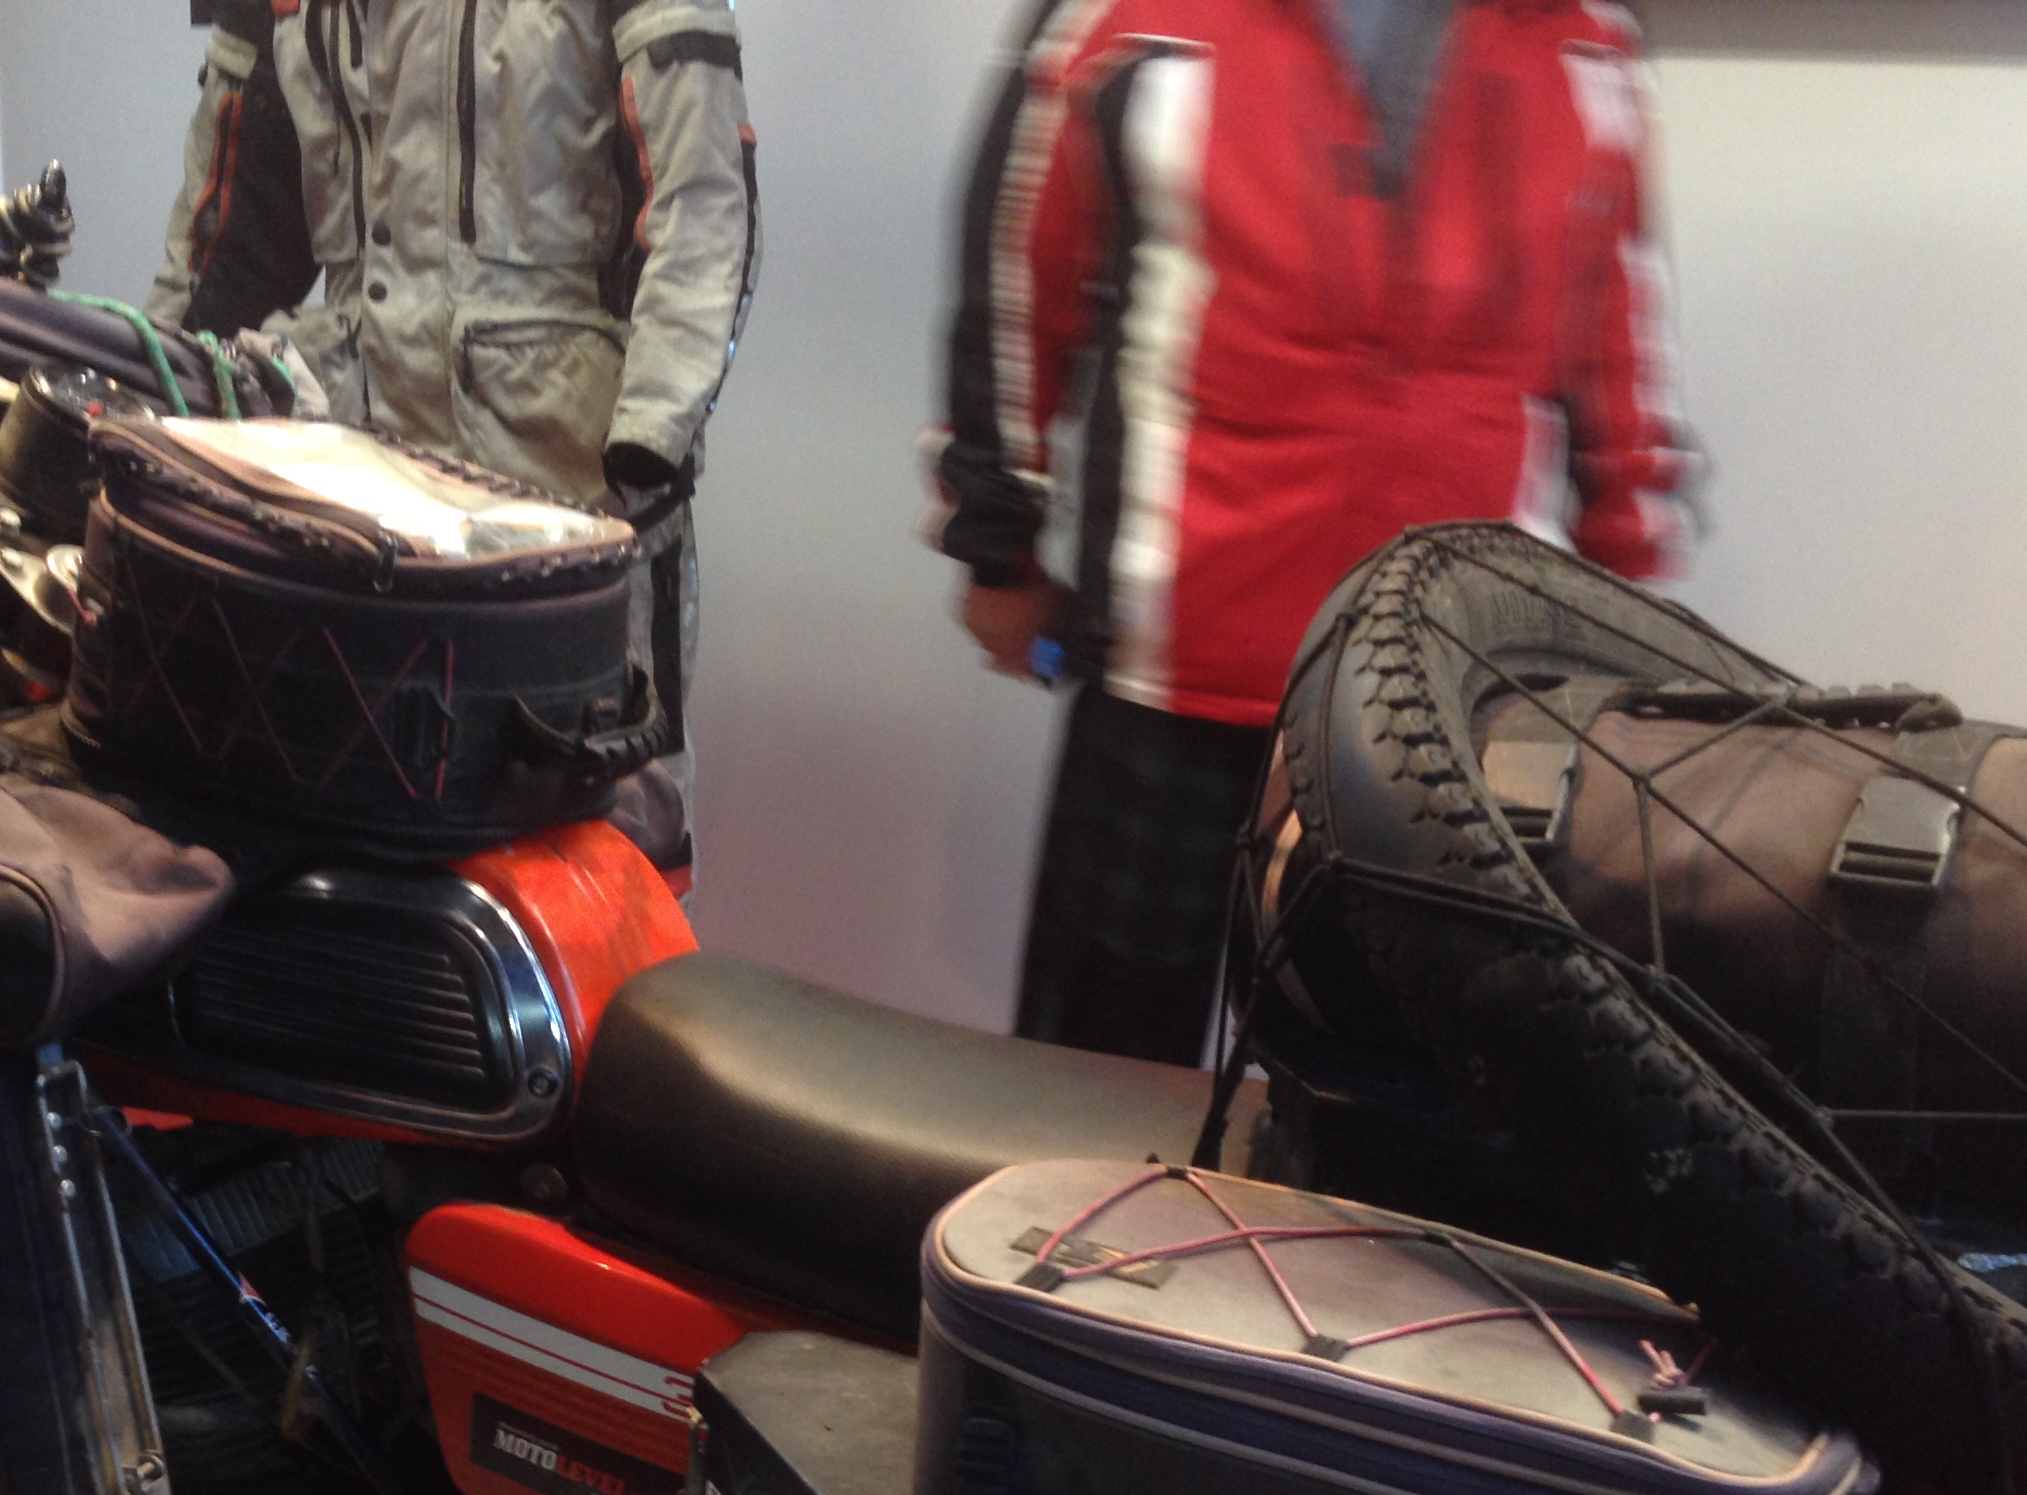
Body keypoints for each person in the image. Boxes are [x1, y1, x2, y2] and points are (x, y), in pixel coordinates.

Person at [936, 0, 1699, 1063]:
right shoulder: (1129, 18)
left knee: (1401, 1087)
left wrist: (1629, 571)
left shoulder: (1581, 36)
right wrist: (997, 539)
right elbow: (1020, 270)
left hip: (1451, 686)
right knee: (1094, 1075)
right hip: (1179, 662)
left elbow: (1615, 317)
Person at [143, 0, 760, 863]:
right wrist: (151, 399)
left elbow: (701, 202)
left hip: (567, 497)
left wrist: (651, 440)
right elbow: (233, 228)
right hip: (356, 491)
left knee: (597, 842)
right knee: (360, 836)